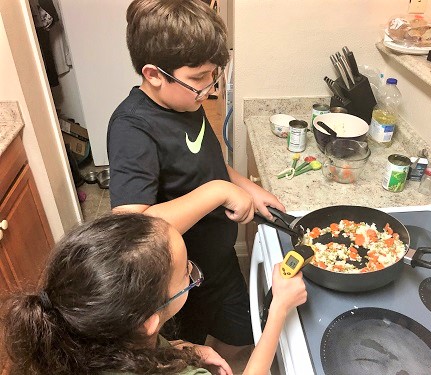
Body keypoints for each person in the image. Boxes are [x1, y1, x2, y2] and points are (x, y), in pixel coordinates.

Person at [107, 0, 285, 356]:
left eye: (213, 75)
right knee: (188, 350)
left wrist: (246, 187)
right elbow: (131, 226)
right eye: (198, 79)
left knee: (242, 336)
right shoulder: (133, 128)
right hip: (177, 282)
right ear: (154, 74)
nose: (210, 89)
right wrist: (219, 192)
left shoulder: (186, 103)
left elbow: (210, 163)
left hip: (218, 260)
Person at [2, 213, 307, 375]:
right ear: (148, 322)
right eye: (187, 274)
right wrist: (278, 308)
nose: (192, 273)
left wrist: (183, 349)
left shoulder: (75, 339)